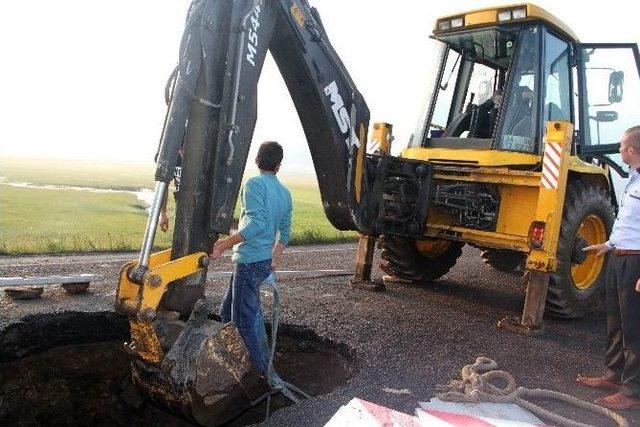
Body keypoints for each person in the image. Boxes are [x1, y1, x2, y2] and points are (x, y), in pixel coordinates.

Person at [209, 141, 292, 374]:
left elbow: (258, 223)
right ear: (278, 166)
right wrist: (274, 259)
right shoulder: (285, 193)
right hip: (261, 262)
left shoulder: (254, 184)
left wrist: (225, 243)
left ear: (257, 160)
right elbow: (284, 233)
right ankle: (225, 358)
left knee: (243, 321)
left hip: (249, 262)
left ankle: (257, 375)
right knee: (227, 312)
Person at [577, 125, 640, 410]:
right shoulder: (633, 179)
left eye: (622, 145)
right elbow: (629, 223)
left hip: (635, 262)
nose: (619, 149)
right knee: (615, 320)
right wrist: (608, 246)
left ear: (631, 149)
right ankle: (613, 375)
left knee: (634, 327)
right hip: (619, 257)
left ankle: (632, 392)